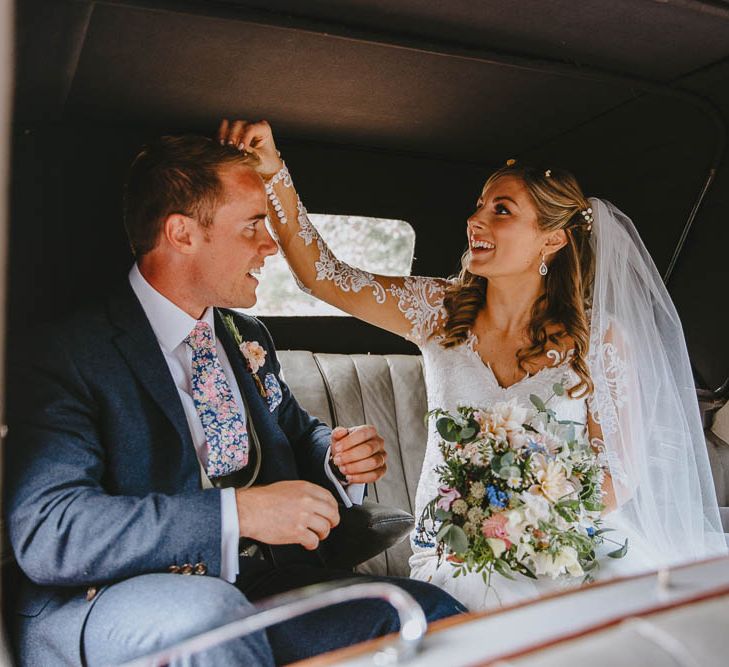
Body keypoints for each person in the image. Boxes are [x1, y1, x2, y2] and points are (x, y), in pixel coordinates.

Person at [222, 119, 728, 611]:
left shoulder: (599, 340)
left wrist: (529, 524)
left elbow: (616, 480)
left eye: (501, 211)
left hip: (566, 545)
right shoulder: (438, 312)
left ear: (552, 239)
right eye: (479, 206)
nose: (476, 220)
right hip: (451, 549)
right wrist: (272, 173)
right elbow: (324, 277)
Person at [3, 134, 465, 666]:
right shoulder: (68, 353)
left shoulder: (246, 338)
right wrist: (238, 513)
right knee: (211, 619)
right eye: (252, 224)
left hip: (257, 584)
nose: (270, 245)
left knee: (428, 612)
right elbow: (52, 531)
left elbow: (293, 431)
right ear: (182, 233)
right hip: (108, 598)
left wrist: (334, 459)